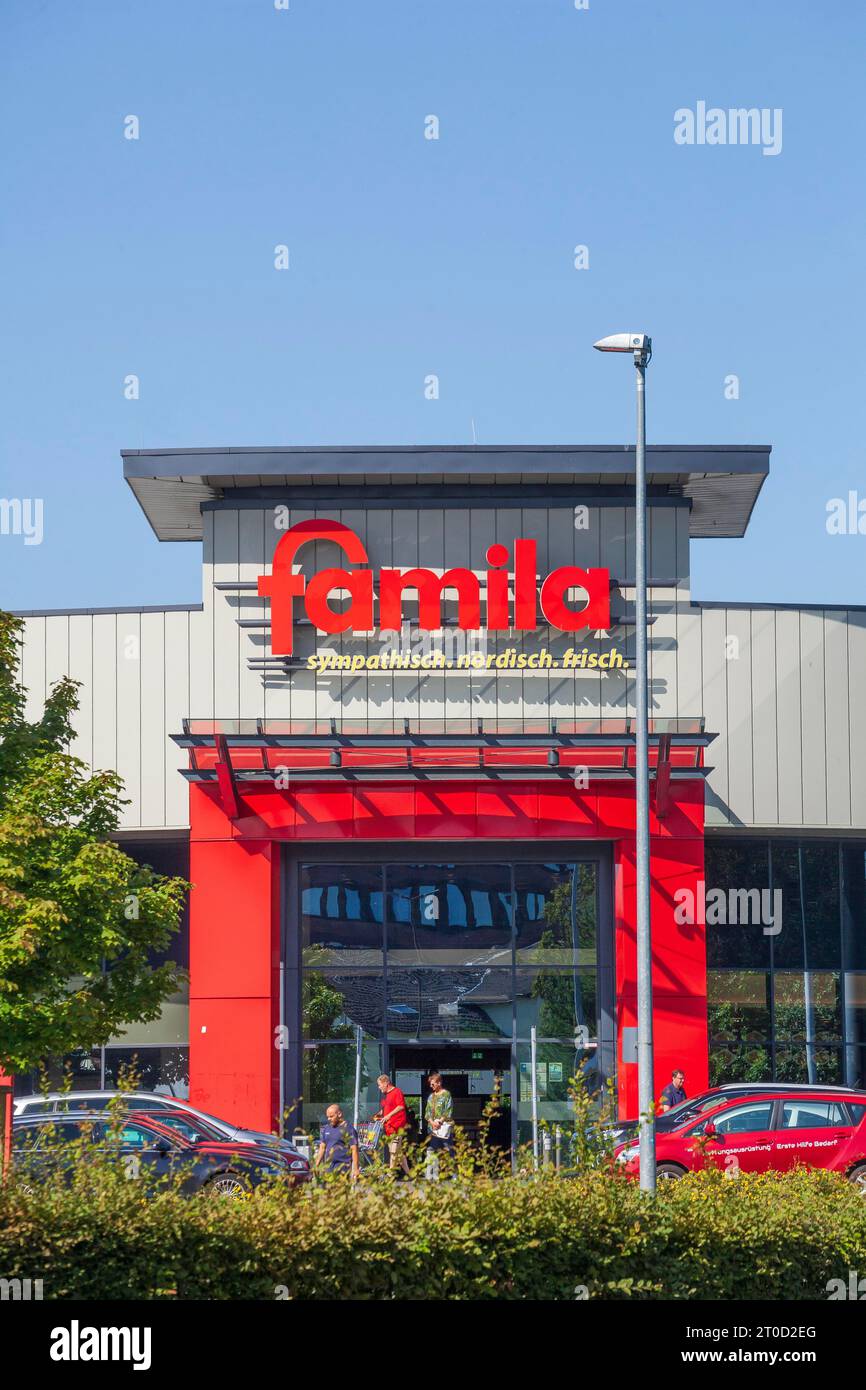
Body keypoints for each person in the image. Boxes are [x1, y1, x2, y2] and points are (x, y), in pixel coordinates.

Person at [374, 1073, 411, 1176]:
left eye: (379, 1084)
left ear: (386, 1083)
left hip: (397, 1127)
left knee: (393, 1152)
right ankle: (410, 1174)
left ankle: (390, 1176)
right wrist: (378, 1115)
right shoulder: (386, 1096)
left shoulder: (397, 1092)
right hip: (389, 1128)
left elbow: (401, 1106)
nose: (379, 1087)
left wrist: (388, 1116)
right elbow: (385, 1110)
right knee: (398, 1153)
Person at [315, 1104, 360, 1180]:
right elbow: (322, 1148)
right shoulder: (326, 1129)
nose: (329, 1119)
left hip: (343, 1167)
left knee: (340, 1191)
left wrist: (356, 1169)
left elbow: (354, 1149)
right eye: (328, 1117)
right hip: (328, 1166)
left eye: (331, 1116)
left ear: (339, 1114)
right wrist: (316, 1165)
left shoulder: (349, 1129)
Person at [424, 1071, 454, 1180]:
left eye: (433, 1084)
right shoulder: (431, 1097)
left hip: (443, 1128)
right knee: (432, 1150)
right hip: (433, 1129)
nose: (431, 1086)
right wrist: (432, 1122)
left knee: (448, 1150)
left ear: (439, 1082)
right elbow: (427, 1113)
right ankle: (432, 1175)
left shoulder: (446, 1094)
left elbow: (448, 1110)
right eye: (430, 1084)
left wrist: (439, 1122)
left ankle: (453, 1174)